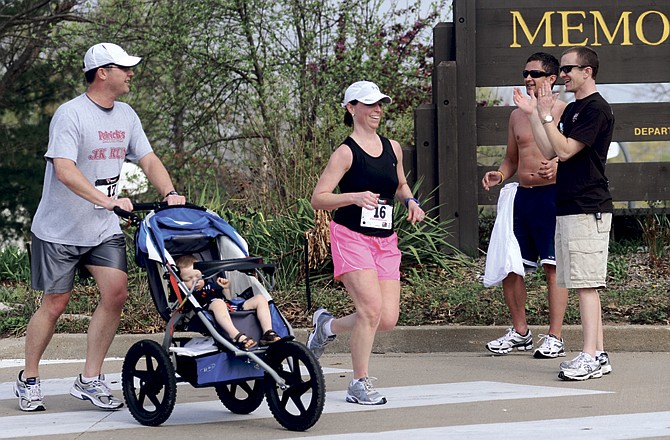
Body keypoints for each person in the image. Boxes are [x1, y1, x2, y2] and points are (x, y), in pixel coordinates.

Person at [14, 42, 187, 412]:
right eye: (124, 68)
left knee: (116, 293)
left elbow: (148, 157)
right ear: (102, 72)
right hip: (58, 230)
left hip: (101, 228)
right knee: (55, 305)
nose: (131, 73)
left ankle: (90, 379)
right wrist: (106, 200)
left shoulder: (126, 115)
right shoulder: (70, 115)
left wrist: (170, 192)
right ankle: (28, 378)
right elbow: (64, 169)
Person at [308, 80, 425, 405]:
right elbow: (319, 199)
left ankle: (326, 327)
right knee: (370, 309)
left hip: (385, 240)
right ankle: (359, 383)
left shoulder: (393, 148)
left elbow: (400, 184)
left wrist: (411, 202)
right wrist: (353, 197)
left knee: (386, 319)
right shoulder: (345, 153)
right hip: (351, 237)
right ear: (351, 108)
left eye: (380, 104)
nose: (377, 110)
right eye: (369, 104)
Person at [514, 46, 614, 381]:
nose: (565, 74)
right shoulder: (573, 109)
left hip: (588, 207)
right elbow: (547, 148)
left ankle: (589, 355)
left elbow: (566, 151)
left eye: (570, 68)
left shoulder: (596, 108)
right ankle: (598, 355)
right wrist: (533, 112)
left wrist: (543, 116)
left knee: (586, 285)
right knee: (583, 282)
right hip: (569, 205)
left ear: (589, 72)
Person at [482, 53, 569, 359]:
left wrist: (558, 165)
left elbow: (574, 152)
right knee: (510, 267)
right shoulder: (516, 115)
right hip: (523, 197)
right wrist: (501, 174)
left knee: (553, 268)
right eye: (525, 73)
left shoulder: (564, 111)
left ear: (551, 79)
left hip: (553, 196)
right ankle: (520, 333)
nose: (528, 78)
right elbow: (511, 158)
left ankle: (555, 337)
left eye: (535, 73)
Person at [175, 254, 281, 349]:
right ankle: (235, 336)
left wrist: (225, 289)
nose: (195, 281)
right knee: (218, 303)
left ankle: (268, 333)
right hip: (207, 312)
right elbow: (187, 308)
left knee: (260, 299)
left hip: (230, 307)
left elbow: (228, 300)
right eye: (188, 279)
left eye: (198, 277)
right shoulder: (187, 295)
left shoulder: (210, 285)